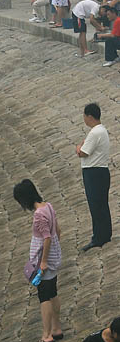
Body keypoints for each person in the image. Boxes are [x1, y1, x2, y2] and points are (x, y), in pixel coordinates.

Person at [13, 180, 63, 342]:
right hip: (54, 256)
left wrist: (43, 262)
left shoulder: (38, 215)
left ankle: (46, 334)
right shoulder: (48, 206)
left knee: (44, 296)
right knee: (53, 292)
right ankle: (57, 328)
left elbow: (46, 237)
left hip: (45, 261)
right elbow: (57, 230)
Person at [76, 102, 112, 250]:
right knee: (102, 205)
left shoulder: (95, 132)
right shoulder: (102, 130)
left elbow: (82, 152)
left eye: (84, 116)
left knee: (95, 206)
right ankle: (105, 234)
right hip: (101, 172)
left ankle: (98, 238)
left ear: (89, 116)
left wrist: (78, 147)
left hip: (93, 173)